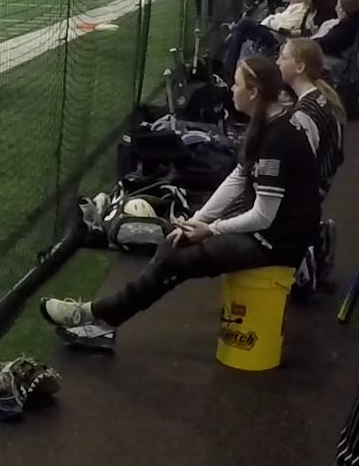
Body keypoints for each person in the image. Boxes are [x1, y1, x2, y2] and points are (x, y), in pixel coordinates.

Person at [42, 55, 322, 349]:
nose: (231, 89)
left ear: (253, 92)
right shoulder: (268, 123)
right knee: (175, 243)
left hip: (278, 243)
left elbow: (263, 216)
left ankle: (96, 317)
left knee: (177, 257)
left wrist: (210, 229)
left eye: (237, 84)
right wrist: (198, 220)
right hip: (273, 231)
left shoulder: (277, 139)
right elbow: (238, 178)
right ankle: (101, 319)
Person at [279, 37, 346, 193]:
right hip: (320, 185)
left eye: (283, 57)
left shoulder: (305, 112)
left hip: (307, 194)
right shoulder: (321, 96)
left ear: (300, 67)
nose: (278, 62)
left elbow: (301, 166)